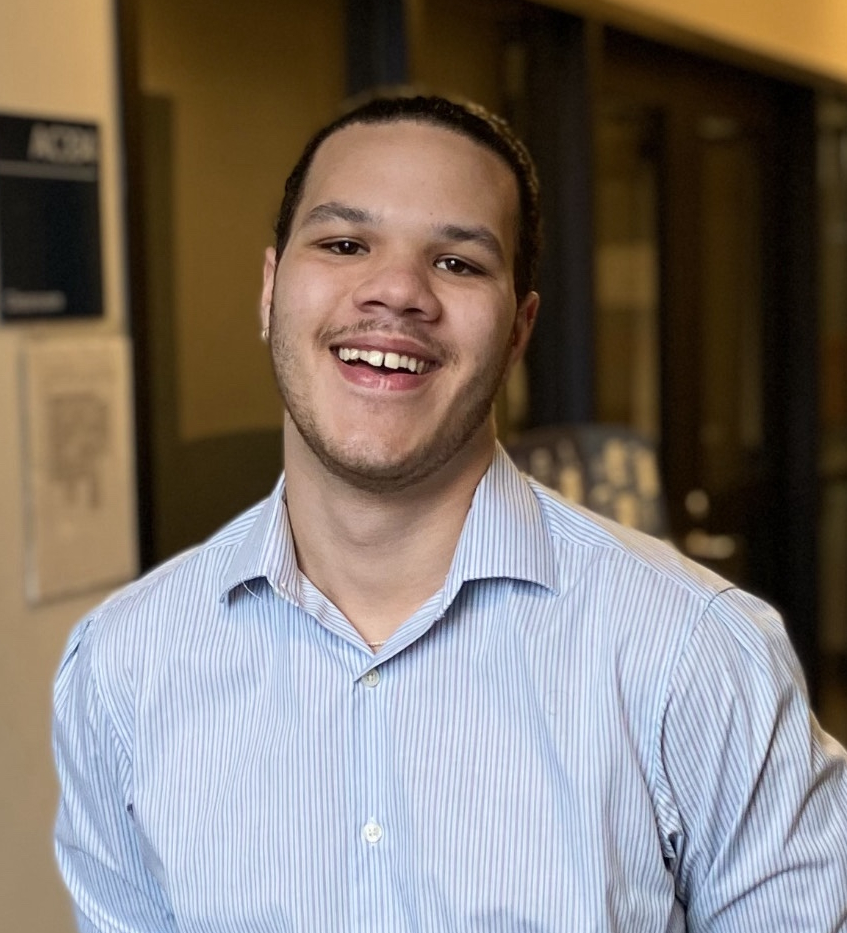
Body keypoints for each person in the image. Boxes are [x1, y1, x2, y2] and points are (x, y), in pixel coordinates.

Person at [53, 94, 847, 932]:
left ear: (517, 331)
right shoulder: (122, 668)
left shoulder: (697, 656)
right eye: (345, 243)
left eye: (459, 263)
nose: (395, 290)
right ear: (269, 288)